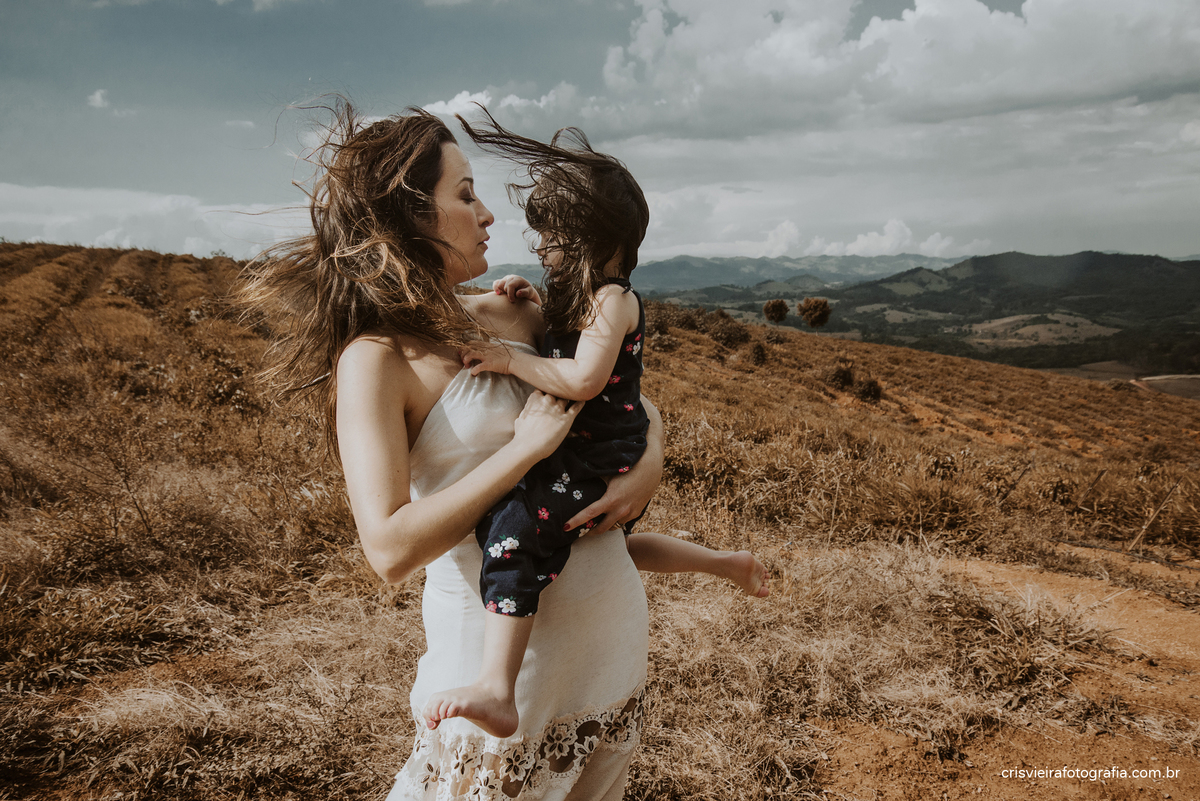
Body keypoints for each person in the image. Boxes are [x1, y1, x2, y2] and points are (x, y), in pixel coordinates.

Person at [238, 101, 664, 800]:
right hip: (499, 683)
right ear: (410, 217)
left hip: (609, 651)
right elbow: (389, 549)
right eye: (465, 195)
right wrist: (521, 453)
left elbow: (618, 395)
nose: (488, 214)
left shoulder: (515, 315)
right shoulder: (375, 359)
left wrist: (653, 456)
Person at [421, 116, 769, 740]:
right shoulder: (583, 294)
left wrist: (508, 359)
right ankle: (727, 563)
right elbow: (570, 341)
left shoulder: (614, 299)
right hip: (594, 446)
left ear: (590, 239)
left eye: (551, 239)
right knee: (608, 546)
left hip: (595, 449)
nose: (542, 249)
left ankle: (497, 688)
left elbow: (582, 379)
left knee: (514, 534)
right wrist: (533, 297)